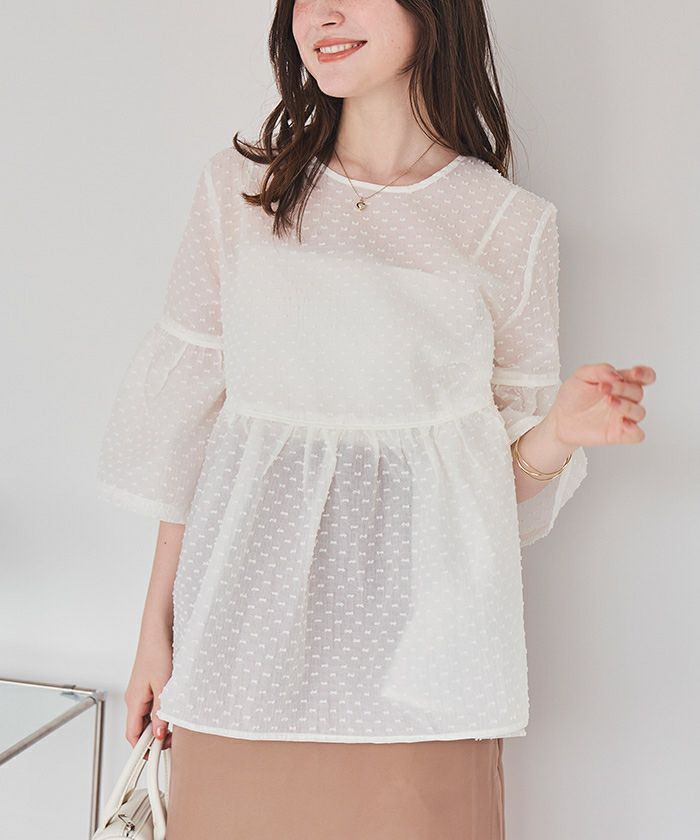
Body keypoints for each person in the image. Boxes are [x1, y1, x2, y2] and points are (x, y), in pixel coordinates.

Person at [96, 1, 656, 837]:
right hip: (238, 650)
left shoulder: (510, 226)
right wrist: (155, 634)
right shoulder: (241, 192)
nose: (323, 13)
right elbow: (194, 445)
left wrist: (558, 434)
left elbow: (483, 498)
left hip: (423, 668)